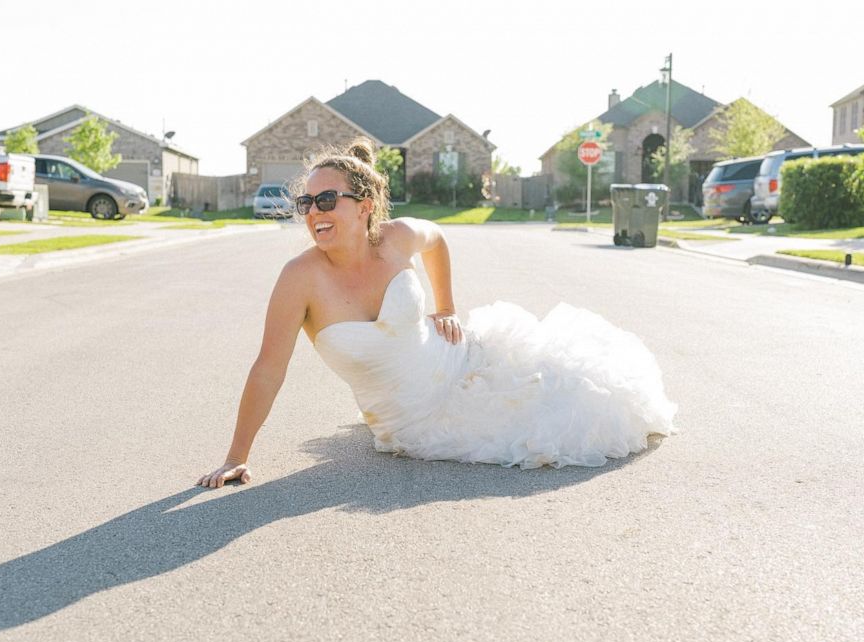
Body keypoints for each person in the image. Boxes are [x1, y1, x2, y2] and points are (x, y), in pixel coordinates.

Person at [198, 139, 676, 488]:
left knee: (583, 398)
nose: (314, 212)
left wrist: (445, 306)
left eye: (327, 200)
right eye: (307, 202)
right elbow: (268, 370)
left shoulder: (396, 237)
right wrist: (236, 455)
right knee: (536, 431)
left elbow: (439, 240)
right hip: (412, 422)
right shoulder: (299, 278)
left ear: (364, 207)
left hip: (462, 363)